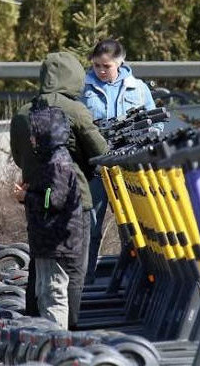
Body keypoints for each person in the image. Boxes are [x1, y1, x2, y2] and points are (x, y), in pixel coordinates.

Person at [10, 51, 107, 329]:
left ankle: (33, 326)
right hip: (75, 201)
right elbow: (100, 152)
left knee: (40, 266)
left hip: (35, 198)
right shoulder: (75, 110)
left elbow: (19, 156)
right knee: (74, 271)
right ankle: (70, 330)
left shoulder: (22, 114)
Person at [80, 39, 157, 284]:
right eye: (97, 66)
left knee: (134, 226)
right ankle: (84, 280)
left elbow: (156, 122)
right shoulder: (83, 88)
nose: (101, 71)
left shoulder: (139, 88)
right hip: (97, 169)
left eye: (106, 66)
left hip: (128, 169)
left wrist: (145, 135)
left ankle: (136, 279)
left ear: (120, 62)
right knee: (90, 226)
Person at [13, 101, 86, 329]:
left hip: (56, 243)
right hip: (48, 241)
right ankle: (50, 339)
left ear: (46, 135)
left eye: (35, 135)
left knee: (53, 293)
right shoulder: (53, 161)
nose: (32, 140)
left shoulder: (58, 164)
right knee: (44, 291)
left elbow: (53, 200)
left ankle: (57, 344)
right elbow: (48, 193)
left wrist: (27, 197)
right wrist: (32, 190)